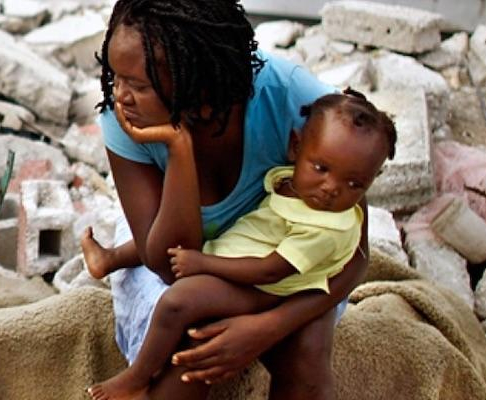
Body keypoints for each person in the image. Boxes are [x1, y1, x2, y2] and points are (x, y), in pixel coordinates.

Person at [92, 1, 378, 399]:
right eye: (115, 77)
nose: (120, 96)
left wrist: (266, 328)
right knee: (187, 348)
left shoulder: (295, 99)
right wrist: (178, 150)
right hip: (166, 246)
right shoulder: (125, 120)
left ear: (194, 77)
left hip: (278, 255)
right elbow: (167, 264)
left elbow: (354, 252)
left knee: (306, 353)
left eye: (139, 85)